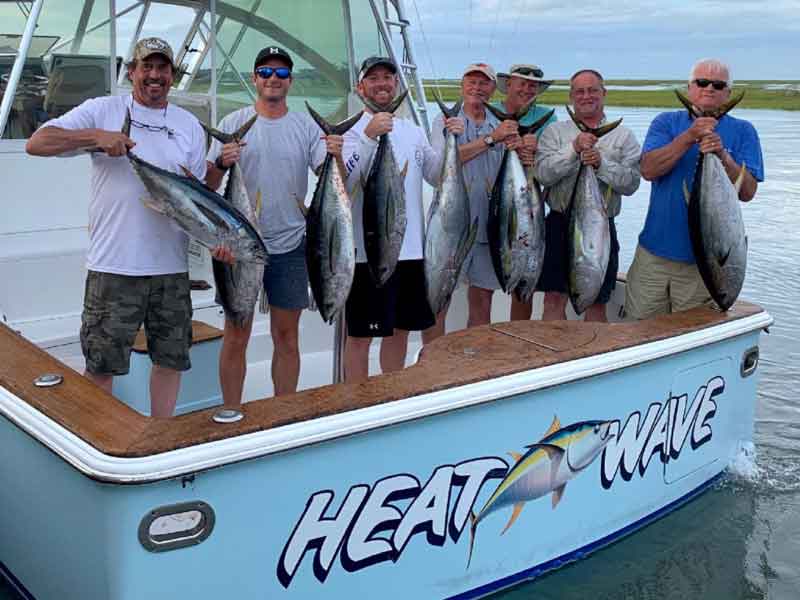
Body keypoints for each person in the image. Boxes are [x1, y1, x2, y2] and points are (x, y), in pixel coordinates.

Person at [25, 38, 218, 417]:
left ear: (172, 76)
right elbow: (37, 142)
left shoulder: (188, 126)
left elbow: (194, 197)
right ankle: (99, 438)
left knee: (171, 359)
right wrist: (95, 138)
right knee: (101, 364)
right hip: (114, 267)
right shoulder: (103, 110)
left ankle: (160, 434)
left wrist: (218, 241)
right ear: (131, 71)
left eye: (163, 68)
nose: (155, 75)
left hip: (170, 269)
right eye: (147, 67)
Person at [206, 46, 344, 400]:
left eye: (281, 74)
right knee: (237, 334)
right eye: (265, 72)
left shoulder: (304, 126)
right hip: (238, 248)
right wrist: (222, 161)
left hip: (291, 246)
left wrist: (336, 153)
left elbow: (331, 177)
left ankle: (282, 413)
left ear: (290, 82)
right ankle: (232, 412)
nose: (273, 79)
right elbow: (207, 185)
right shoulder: (230, 125)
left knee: (287, 336)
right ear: (255, 79)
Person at [340, 57, 463, 383]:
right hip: (370, 251)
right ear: (360, 87)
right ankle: (357, 403)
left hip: (411, 253)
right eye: (373, 78)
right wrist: (368, 136)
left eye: (388, 78)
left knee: (400, 331)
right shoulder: (351, 130)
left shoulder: (412, 131)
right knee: (360, 337)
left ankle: (389, 394)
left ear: (396, 85)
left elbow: (436, 176)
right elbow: (347, 183)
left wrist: (452, 139)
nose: (382, 84)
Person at [625, 59, 763, 320]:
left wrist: (721, 153)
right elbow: (648, 170)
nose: (709, 88)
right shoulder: (665, 123)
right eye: (701, 82)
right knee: (637, 329)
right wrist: (690, 136)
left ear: (728, 93)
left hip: (703, 265)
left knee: (688, 337)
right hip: (652, 257)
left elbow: (747, 192)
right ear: (689, 88)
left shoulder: (745, 131)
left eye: (718, 84)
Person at [534, 69, 641, 322]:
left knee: (596, 302)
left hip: (600, 227)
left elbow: (632, 184)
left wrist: (601, 164)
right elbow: (543, 175)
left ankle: (596, 358)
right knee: (553, 298)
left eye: (593, 90)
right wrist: (573, 149)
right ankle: (555, 358)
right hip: (558, 224)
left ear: (603, 93)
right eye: (579, 91)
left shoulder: (623, 136)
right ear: (571, 96)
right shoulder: (555, 133)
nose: (586, 96)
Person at [427, 63, 523, 338]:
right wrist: (491, 139)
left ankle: (474, 362)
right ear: (462, 85)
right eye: (472, 82)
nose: (477, 88)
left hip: (489, 224)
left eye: (484, 84)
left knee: (482, 300)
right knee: (439, 298)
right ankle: (433, 362)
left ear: (493, 89)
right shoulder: (444, 121)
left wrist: (519, 148)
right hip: (450, 224)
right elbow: (438, 171)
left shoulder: (502, 122)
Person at [494, 63, 557, 321]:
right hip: (496, 199)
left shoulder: (547, 117)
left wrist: (536, 146)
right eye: (522, 83)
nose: (527, 89)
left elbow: (549, 154)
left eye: (533, 86)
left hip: (528, 202)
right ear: (509, 84)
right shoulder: (493, 112)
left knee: (524, 287)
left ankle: (518, 335)